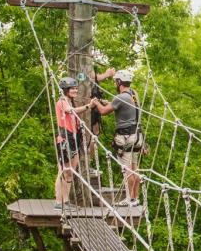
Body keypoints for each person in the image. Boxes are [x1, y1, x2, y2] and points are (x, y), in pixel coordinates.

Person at [90, 69, 142, 206]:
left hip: (125, 137)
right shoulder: (133, 94)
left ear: (119, 82)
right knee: (135, 168)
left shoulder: (120, 97)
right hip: (137, 136)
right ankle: (135, 198)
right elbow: (122, 106)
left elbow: (103, 111)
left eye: (115, 81)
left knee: (127, 170)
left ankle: (129, 198)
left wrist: (96, 103)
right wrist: (108, 102)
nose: (115, 83)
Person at [53, 76, 93, 210]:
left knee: (70, 171)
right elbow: (70, 111)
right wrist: (88, 106)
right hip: (65, 138)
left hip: (74, 138)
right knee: (63, 170)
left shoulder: (70, 101)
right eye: (73, 89)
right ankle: (59, 202)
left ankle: (66, 200)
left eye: (76, 88)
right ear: (65, 90)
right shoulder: (62, 101)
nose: (76, 91)